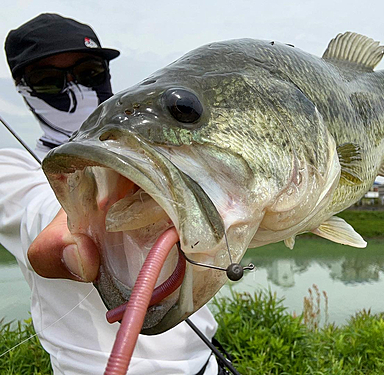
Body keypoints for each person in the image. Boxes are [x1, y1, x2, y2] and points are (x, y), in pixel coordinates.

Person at [0, 13, 221, 375]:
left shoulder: (165, 150)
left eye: (89, 73)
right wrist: (80, 212)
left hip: (206, 363)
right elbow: (35, 210)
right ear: (23, 90)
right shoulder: (9, 167)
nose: (75, 88)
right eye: (47, 81)